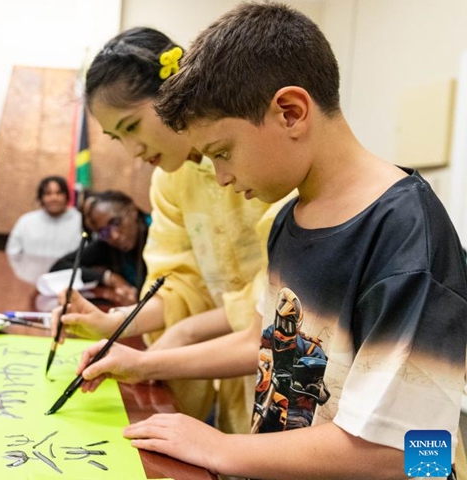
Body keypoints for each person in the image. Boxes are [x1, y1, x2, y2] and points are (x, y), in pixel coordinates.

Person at [75, 4, 467, 478]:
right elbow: (265, 343)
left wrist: (221, 447)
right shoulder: (290, 219)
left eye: (222, 153)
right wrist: (143, 365)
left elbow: (412, 453)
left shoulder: (406, 237)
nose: (218, 177)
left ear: (291, 112)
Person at [52, 26, 285, 433]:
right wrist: (116, 322)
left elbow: (275, 314)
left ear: (173, 92)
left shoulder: (268, 167)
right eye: (116, 137)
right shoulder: (171, 178)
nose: (133, 152)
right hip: (237, 357)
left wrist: (171, 341)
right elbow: (181, 286)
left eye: (132, 127)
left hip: (280, 364)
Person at [50, 190, 149, 304]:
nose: (114, 236)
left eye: (116, 222)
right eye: (104, 232)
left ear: (132, 211)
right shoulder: (106, 243)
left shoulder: (159, 235)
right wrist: (108, 277)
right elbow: (60, 266)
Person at [5, 175, 82, 258]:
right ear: (41, 198)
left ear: (67, 196)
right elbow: (13, 252)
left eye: (59, 193)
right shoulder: (26, 221)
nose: (54, 198)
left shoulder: (80, 220)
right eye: (48, 193)